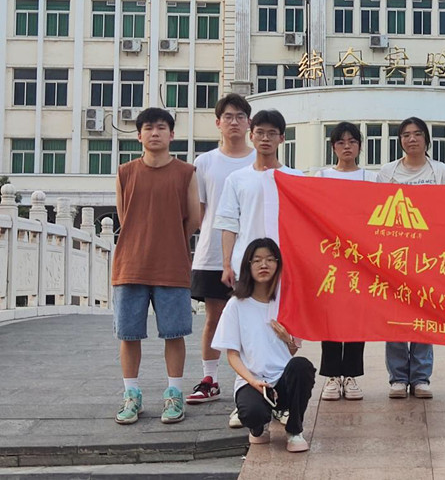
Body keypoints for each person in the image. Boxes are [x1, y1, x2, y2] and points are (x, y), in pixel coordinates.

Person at [214, 108, 304, 427]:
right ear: (251, 136)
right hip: (248, 267)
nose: (265, 139)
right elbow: (228, 223)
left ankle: (281, 396)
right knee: (247, 334)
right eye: (260, 133)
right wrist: (227, 263)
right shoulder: (237, 179)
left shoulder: (295, 178)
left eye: (272, 133)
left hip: (284, 269)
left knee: (282, 330)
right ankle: (247, 395)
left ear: (282, 138)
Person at [112, 108, 201, 425]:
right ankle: (131, 395)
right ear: (139, 135)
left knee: (174, 333)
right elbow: (125, 217)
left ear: (171, 135)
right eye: (148, 128)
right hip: (130, 265)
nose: (154, 133)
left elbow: (194, 219)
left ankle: (174, 394)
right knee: (129, 335)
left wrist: (170, 239)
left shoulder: (186, 172)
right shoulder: (125, 172)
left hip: (172, 266)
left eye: (161, 127)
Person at [211, 238, 315, 452]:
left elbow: (292, 350)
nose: (264, 265)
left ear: (278, 264)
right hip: (252, 381)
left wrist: (287, 338)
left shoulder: (287, 302)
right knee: (253, 413)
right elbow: (232, 355)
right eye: (257, 260)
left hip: (282, 379)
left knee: (302, 366)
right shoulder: (236, 305)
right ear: (248, 266)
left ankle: (295, 430)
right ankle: (258, 427)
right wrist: (254, 382)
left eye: (269, 259)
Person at [187, 94, 255, 406]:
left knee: (252, 319)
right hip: (212, 253)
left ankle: (252, 380)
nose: (234, 122)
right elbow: (199, 211)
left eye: (240, 116)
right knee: (213, 317)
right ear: (218, 122)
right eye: (228, 116)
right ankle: (209, 379)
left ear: (249, 123)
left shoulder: (258, 160)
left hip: (253, 255)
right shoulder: (204, 163)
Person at [378, 117, 445, 399]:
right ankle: (398, 377)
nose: (412, 139)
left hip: (428, 254)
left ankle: (421, 377)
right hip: (394, 254)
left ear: (426, 139)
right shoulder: (387, 172)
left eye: (417, 134)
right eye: (406, 135)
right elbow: (378, 211)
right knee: (395, 315)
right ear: (400, 140)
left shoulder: (440, 171)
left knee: (424, 314)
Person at [315, 122, 378, 401]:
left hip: (361, 258)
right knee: (329, 316)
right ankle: (331, 375)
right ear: (333, 147)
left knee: (355, 317)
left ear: (360, 146)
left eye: (352, 141)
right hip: (330, 257)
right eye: (341, 142)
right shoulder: (322, 176)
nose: (347, 146)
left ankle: (351, 375)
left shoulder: (371, 178)